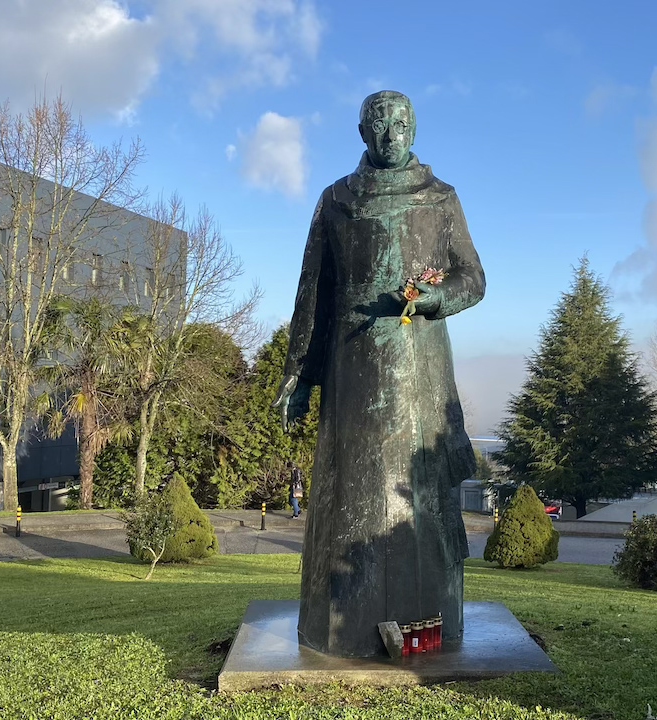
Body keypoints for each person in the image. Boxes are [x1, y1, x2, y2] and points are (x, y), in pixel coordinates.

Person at [273, 90, 485, 657]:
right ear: (363, 133)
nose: (394, 134)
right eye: (382, 125)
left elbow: (474, 279)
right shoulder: (336, 199)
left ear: (415, 128)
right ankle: (339, 624)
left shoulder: (441, 198)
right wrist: (298, 375)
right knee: (351, 491)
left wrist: (438, 298)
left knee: (419, 492)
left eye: (403, 123)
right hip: (351, 368)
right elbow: (312, 295)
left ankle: (430, 620)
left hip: (421, 365)